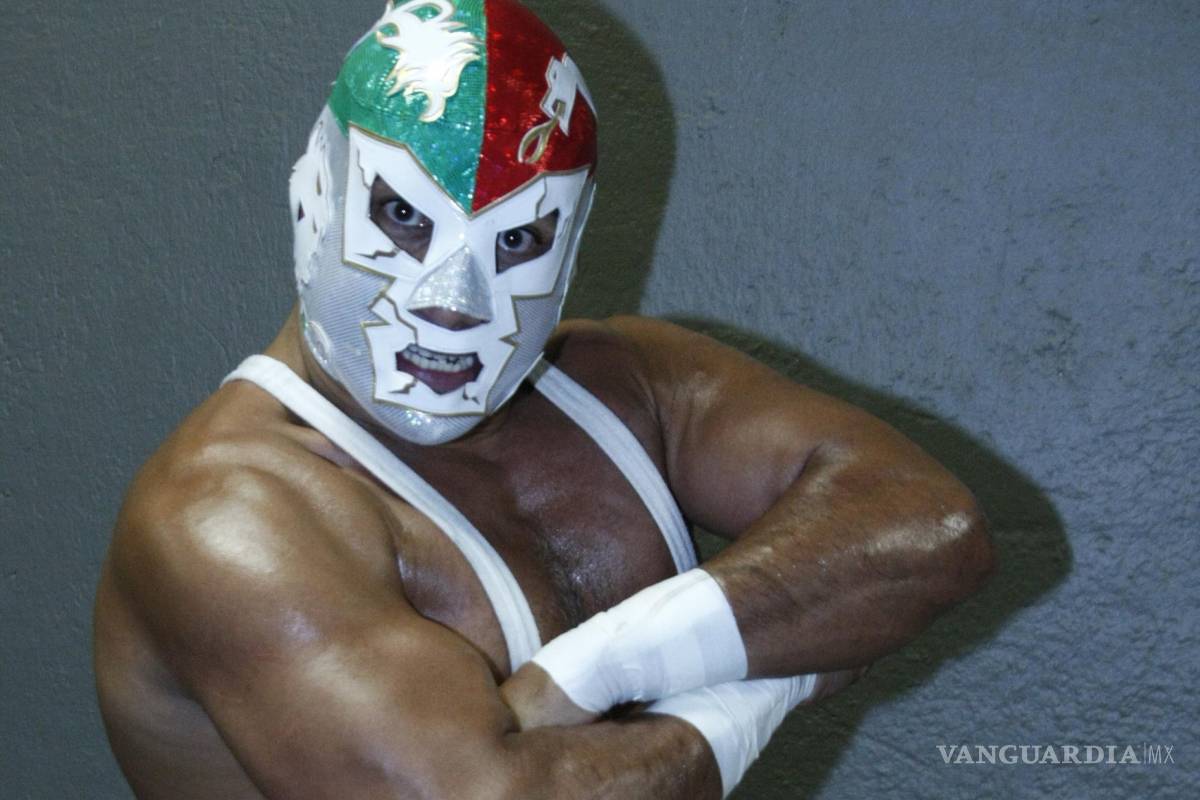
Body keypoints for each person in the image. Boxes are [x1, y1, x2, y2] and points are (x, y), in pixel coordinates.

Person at [94, 1, 995, 797]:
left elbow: (932, 522)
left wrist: (591, 673)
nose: (454, 302)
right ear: (314, 198)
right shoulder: (225, 516)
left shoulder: (622, 382)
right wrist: (778, 668)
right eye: (404, 218)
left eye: (517, 240)